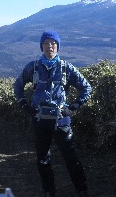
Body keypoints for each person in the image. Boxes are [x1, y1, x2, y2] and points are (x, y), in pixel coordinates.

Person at [13, 30, 92, 197]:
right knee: (43, 158)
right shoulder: (32, 67)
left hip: (61, 121)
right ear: (41, 47)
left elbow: (86, 87)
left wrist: (73, 107)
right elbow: (18, 86)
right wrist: (25, 105)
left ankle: (82, 190)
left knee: (70, 157)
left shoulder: (66, 68)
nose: (50, 46)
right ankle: (49, 191)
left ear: (58, 47)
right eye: (47, 43)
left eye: (54, 43)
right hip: (40, 121)